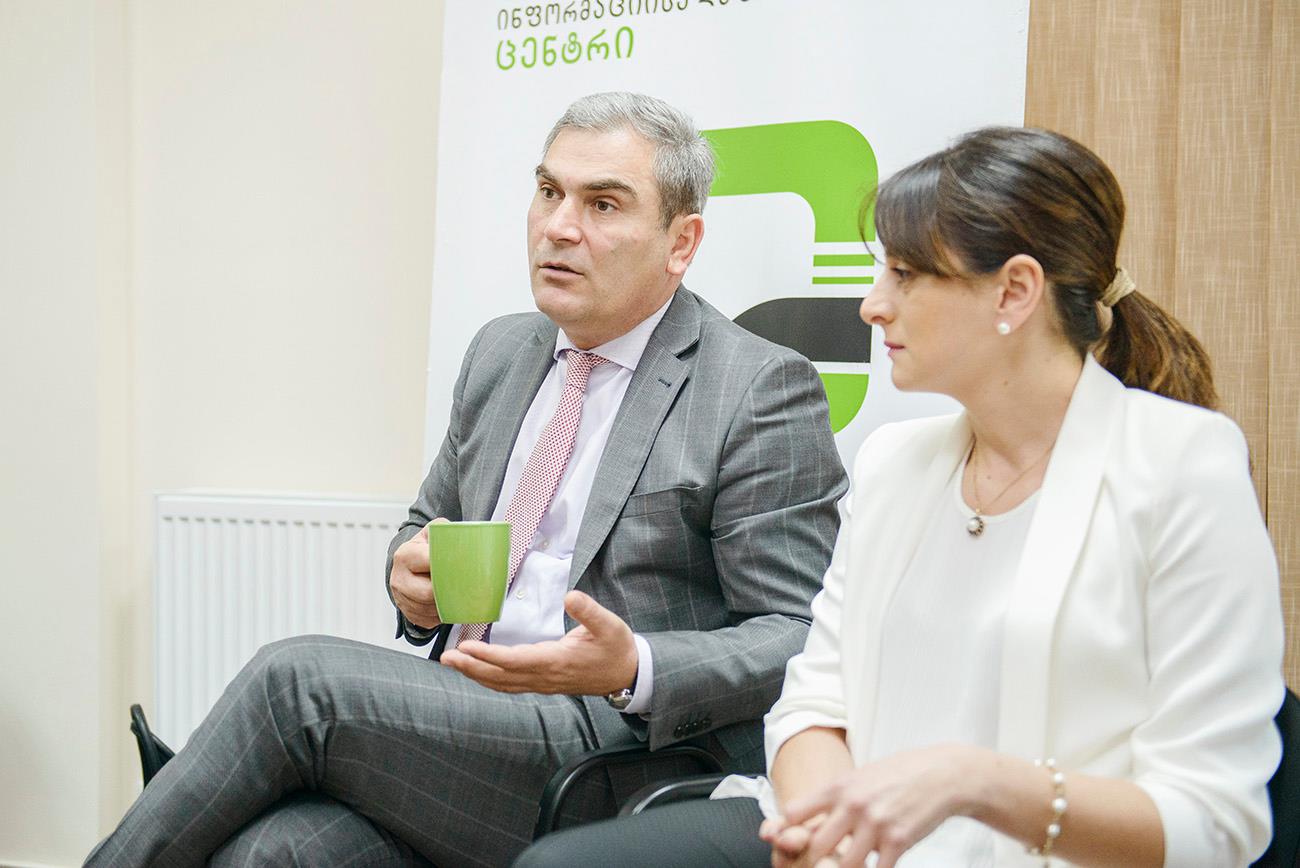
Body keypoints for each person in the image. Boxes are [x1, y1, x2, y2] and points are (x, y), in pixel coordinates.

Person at [85, 92, 847, 867]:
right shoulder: (501, 352)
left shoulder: (753, 387)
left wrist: (635, 668)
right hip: (462, 713)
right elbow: (427, 525)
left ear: (681, 243)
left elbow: (796, 633)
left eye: (603, 204)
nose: (559, 227)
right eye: (548, 191)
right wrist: (410, 579)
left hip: (609, 752)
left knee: (295, 682)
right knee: (269, 851)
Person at [514, 127, 1285, 868]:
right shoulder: (897, 464)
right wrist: (829, 839)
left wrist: (976, 782)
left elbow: (1216, 824)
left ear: (1015, 291)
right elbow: (812, 705)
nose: (872, 305)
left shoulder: (1182, 467)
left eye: (906, 275)